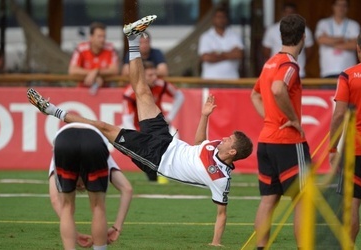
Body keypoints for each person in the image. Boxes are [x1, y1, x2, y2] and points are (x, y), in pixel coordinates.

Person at [27, 15, 253, 246]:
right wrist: (204, 116)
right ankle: (132, 39)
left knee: (104, 127)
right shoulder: (215, 147)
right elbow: (198, 146)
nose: (224, 138)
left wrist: (216, 243)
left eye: (229, 140)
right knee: (143, 91)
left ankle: (52, 110)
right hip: (167, 140)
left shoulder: (221, 178)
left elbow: (222, 214)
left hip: (155, 158)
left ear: (233, 152)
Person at [250, 14, 311, 249]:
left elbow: (254, 94)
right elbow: (278, 89)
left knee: (268, 200)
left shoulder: (270, 63)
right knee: (302, 200)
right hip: (287, 141)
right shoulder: (290, 64)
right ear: (303, 37)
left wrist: (270, 118)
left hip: (266, 140)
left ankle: (260, 247)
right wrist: (293, 119)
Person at [48, 123, 133, 248]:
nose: (82, 185)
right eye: (81, 186)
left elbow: (56, 199)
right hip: (94, 140)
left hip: (64, 140)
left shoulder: (56, 154)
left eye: (79, 186)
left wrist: (116, 227)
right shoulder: (102, 153)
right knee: (98, 206)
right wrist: (117, 227)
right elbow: (127, 189)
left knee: (67, 206)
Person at [122, 60, 184, 182]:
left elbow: (180, 96)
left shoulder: (161, 85)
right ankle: (154, 176)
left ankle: (171, 174)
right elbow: (126, 119)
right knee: (147, 161)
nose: (155, 78)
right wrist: (137, 136)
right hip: (140, 127)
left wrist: (170, 117)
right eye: (150, 75)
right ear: (142, 76)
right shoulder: (130, 93)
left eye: (155, 74)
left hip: (158, 125)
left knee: (174, 142)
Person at [329, 29, 361, 246]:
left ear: (358, 48)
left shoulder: (348, 75)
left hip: (355, 150)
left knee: (351, 205)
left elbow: (340, 114)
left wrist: (333, 148)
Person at [262, 2, 314, 78]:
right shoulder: (272, 30)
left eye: (291, 12)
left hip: (298, 72)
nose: (289, 15)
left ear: (296, 13)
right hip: (276, 71)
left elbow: (309, 51)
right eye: (286, 12)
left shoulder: (305, 30)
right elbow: (266, 51)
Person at [68, 22, 119, 93]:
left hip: (105, 92)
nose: (102, 39)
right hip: (82, 91)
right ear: (91, 37)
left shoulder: (110, 48)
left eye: (104, 36)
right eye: (99, 36)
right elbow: (72, 70)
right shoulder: (81, 48)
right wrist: (93, 74)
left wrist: (96, 71)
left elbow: (114, 70)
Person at [315, 0, 361, 78]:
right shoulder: (323, 23)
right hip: (327, 71)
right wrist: (344, 39)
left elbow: (354, 45)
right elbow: (321, 40)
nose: (341, 8)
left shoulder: (354, 25)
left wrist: (330, 42)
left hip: (348, 72)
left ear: (348, 8)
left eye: (344, 5)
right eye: (338, 5)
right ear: (333, 6)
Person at [198, 6, 244, 79]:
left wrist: (217, 53)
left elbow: (239, 55)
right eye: (218, 17)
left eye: (223, 17)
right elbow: (206, 57)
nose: (221, 20)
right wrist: (229, 54)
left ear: (227, 19)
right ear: (213, 19)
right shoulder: (206, 37)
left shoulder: (235, 36)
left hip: (231, 79)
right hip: (210, 79)